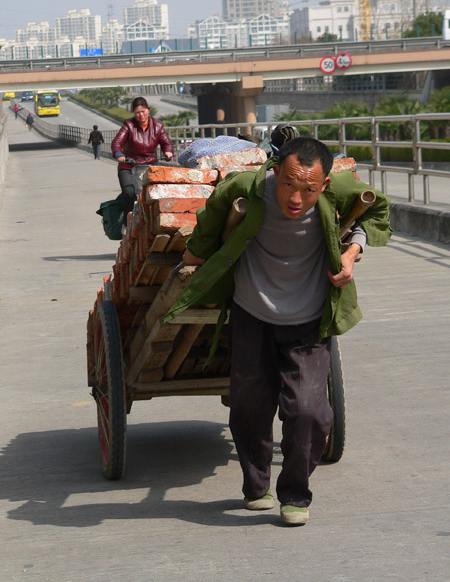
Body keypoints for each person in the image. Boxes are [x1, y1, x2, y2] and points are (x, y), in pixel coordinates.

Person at [164, 136, 392, 526]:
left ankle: (295, 494)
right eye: (288, 183)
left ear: (324, 185)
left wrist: (352, 253)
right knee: (250, 406)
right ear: (274, 171)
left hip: (308, 320)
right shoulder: (246, 188)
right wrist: (194, 256)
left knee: (309, 412)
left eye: (308, 188)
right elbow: (212, 217)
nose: (296, 197)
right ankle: (256, 486)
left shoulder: (337, 191)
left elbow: (378, 211)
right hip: (253, 314)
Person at [111, 97, 174, 215]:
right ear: (134, 113)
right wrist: (118, 154)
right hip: (129, 166)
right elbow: (116, 143)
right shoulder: (128, 125)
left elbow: (167, 143)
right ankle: (126, 220)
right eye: (137, 112)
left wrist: (168, 151)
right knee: (129, 192)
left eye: (143, 111)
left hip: (150, 166)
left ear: (148, 110)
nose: (141, 115)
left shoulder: (158, 126)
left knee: (156, 193)